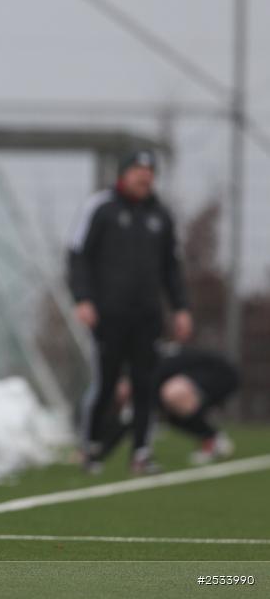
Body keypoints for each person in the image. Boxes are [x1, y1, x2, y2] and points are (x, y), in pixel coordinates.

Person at [68, 149, 192, 475]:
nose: (145, 176)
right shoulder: (101, 208)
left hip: (148, 316)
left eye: (150, 171)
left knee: (145, 384)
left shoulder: (161, 216)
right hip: (108, 315)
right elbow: (78, 256)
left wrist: (181, 308)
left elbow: (172, 268)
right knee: (106, 383)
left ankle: (141, 452)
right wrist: (83, 298)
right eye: (138, 170)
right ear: (124, 174)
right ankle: (92, 447)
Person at [99, 345, 237, 465]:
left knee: (171, 395)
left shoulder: (148, 373)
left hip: (222, 374)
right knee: (168, 411)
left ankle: (212, 439)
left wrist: (101, 451)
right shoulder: (144, 364)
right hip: (209, 374)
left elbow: (132, 417)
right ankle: (212, 437)